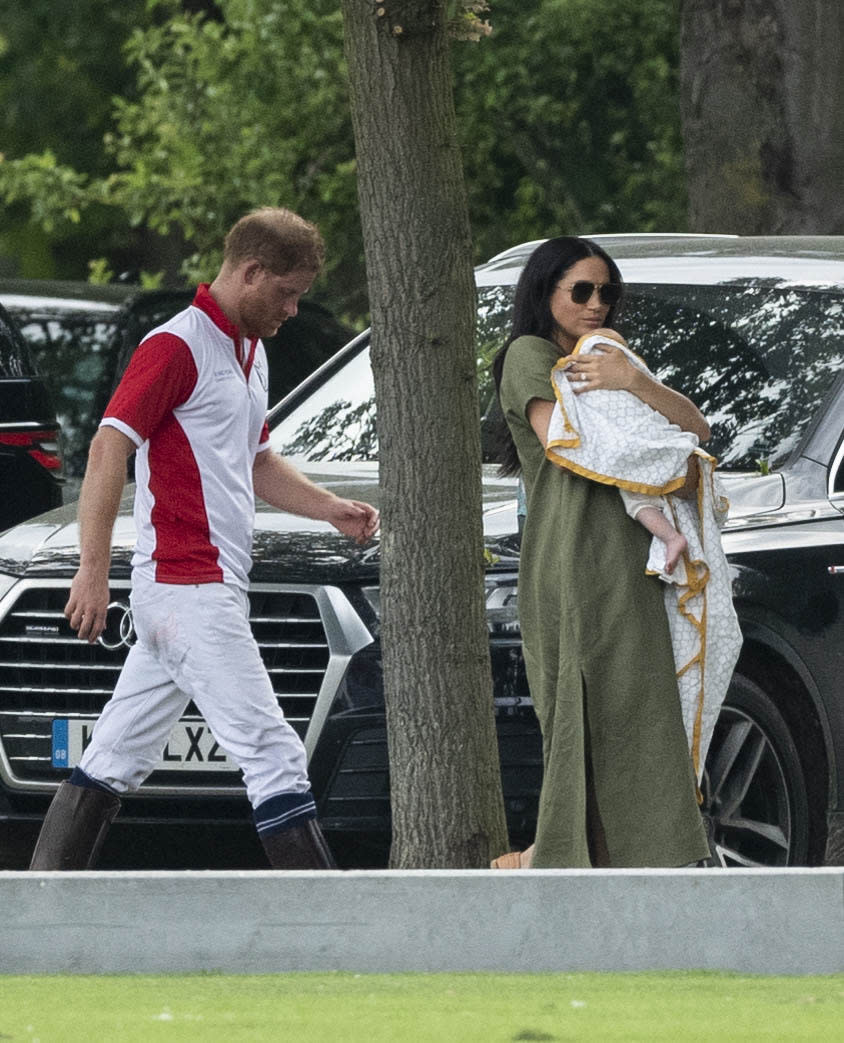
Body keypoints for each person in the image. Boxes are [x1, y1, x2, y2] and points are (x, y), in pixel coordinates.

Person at [29, 207, 379, 871]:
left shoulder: (249, 351)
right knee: (271, 749)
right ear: (251, 272)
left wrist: (328, 507)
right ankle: (329, 928)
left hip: (188, 591)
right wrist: (92, 571)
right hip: (190, 589)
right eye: (287, 292)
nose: (294, 308)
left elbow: (253, 459)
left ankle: (36, 907)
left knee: (113, 755)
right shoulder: (176, 344)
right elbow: (108, 448)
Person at [491, 236, 713, 869]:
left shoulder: (612, 359)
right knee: (578, 703)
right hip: (571, 555)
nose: (596, 305)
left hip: (636, 557)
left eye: (607, 293)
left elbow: (696, 430)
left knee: (637, 703)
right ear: (544, 292)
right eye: (581, 291)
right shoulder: (529, 355)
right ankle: (552, 855)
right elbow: (573, 443)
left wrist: (633, 381)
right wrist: (637, 407)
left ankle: (644, 857)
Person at [549, 326, 693, 580]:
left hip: (644, 447)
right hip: (635, 460)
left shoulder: (632, 382)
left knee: (638, 501)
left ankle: (671, 537)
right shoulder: (578, 373)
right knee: (638, 501)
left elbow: (698, 428)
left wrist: (633, 379)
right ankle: (671, 537)